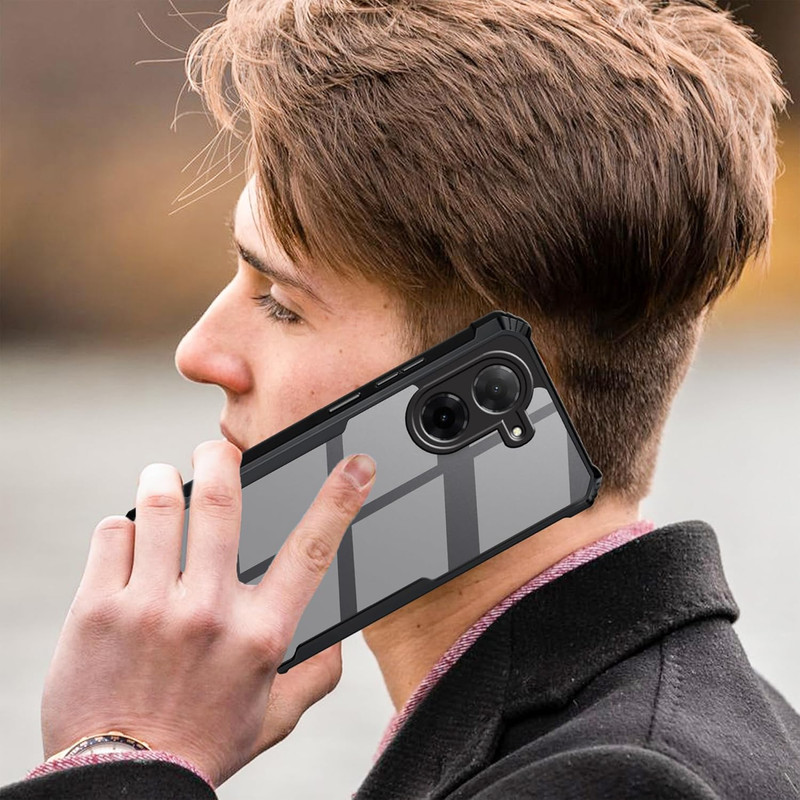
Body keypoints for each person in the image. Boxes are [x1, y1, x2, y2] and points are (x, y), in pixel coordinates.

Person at [2, 0, 798, 797]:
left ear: (474, 395)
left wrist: (124, 753)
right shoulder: (690, 729)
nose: (199, 353)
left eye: (281, 303)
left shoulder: (615, 781)